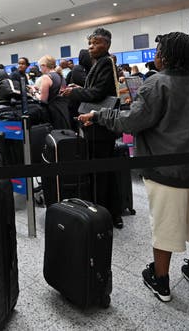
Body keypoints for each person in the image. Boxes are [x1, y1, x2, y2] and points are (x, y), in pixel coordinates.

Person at [78, 32, 189, 302]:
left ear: (166, 56)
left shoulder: (156, 84)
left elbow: (132, 121)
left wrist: (99, 115)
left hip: (166, 170)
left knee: (165, 227)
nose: (155, 55)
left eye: (158, 51)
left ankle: (161, 279)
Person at [62, 28, 122, 229]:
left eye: (95, 43)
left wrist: (74, 94)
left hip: (101, 126)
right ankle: (109, 211)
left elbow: (96, 94)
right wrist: (80, 90)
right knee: (102, 170)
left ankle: (105, 213)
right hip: (98, 124)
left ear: (106, 45)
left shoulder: (105, 62)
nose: (90, 47)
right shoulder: (101, 63)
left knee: (101, 171)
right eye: (89, 43)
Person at [38, 55, 71, 129]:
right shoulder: (60, 76)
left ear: (44, 65)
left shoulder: (46, 77)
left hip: (53, 113)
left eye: (40, 67)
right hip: (63, 110)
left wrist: (34, 92)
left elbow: (43, 100)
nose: (40, 70)